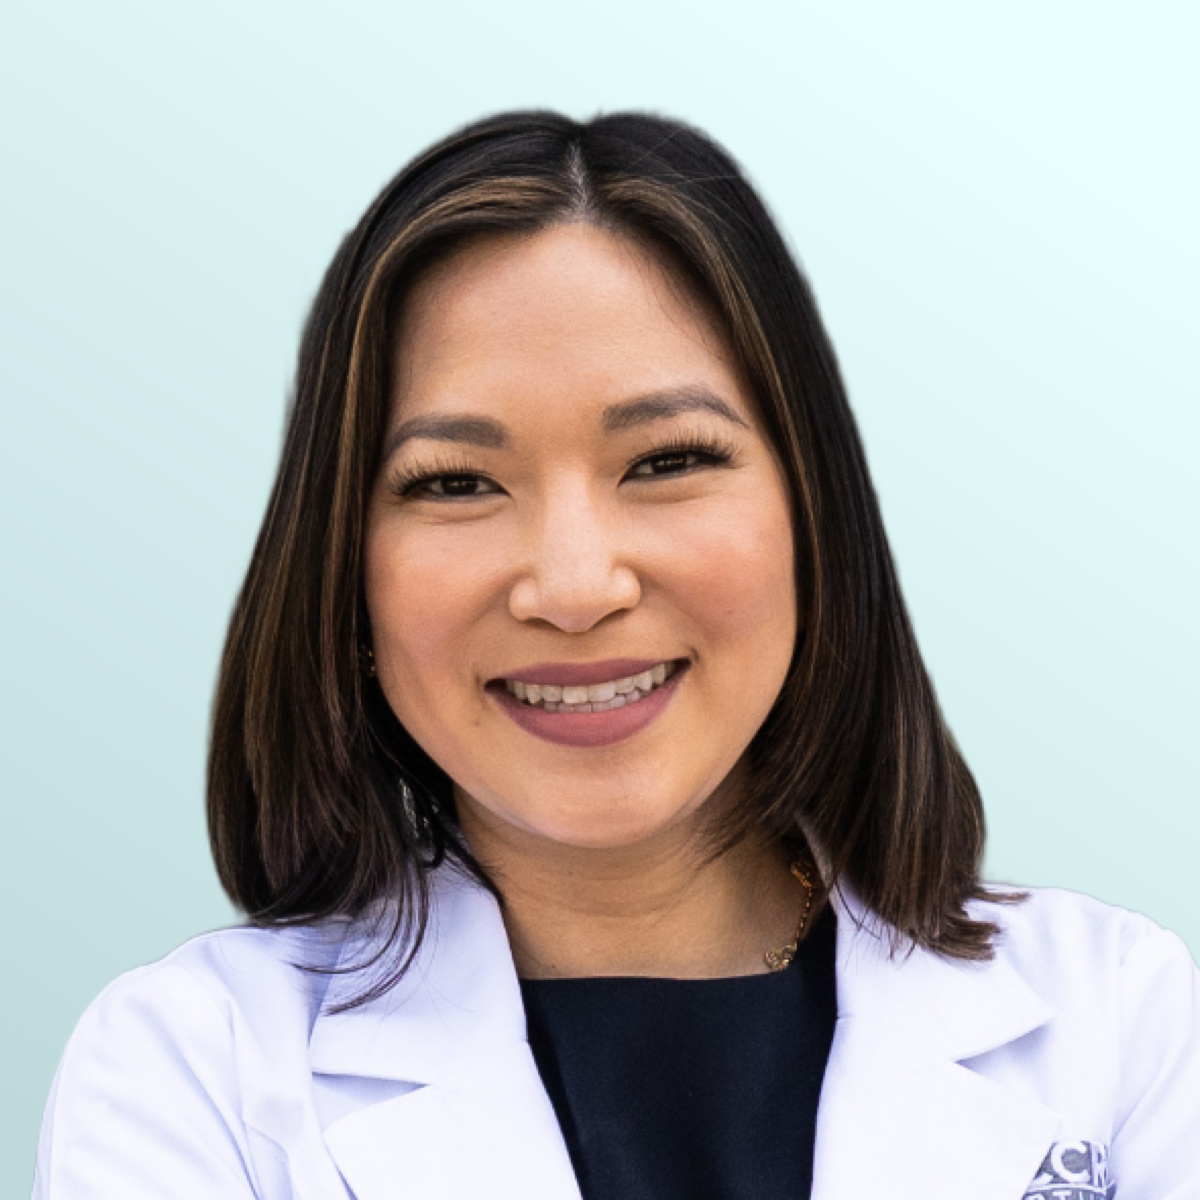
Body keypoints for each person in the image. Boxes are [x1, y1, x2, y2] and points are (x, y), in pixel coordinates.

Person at [33, 110, 1199, 1199]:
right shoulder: (192, 1074)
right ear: (343, 565)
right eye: (454, 482)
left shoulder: (1126, 1026)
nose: (577, 588)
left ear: (812, 514)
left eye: (667, 461)